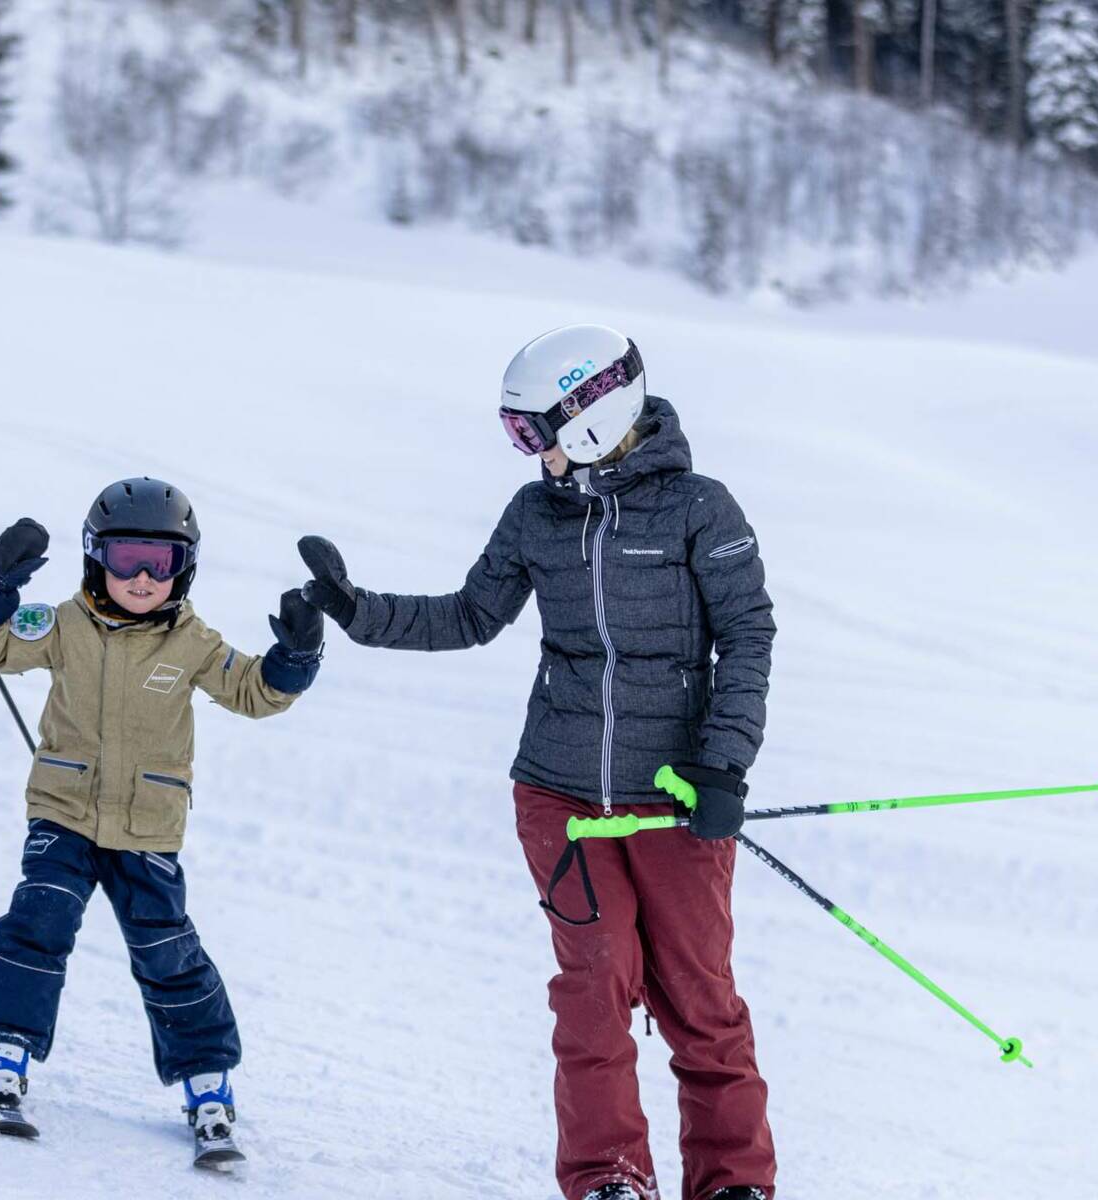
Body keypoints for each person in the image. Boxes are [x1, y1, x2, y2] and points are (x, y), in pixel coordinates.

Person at [294, 325, 776, 1200]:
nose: (526, 453)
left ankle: (733, 1183)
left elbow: (747, 636)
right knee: (593, 990)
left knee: (699, 1002)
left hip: (673, 798)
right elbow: (469, 616)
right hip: (556, 793)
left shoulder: (702, 508)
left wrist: (723, 768)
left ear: (591, 415)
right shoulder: (534, 515)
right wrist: (357, 611)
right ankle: (608, 1179)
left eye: (532, 432)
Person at [0, 478, 322, 1166]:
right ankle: (3, 1059)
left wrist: (294, 659)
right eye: (127, 558)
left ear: (185, 565)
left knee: (167, 954)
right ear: (97, 557)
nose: (145, 576)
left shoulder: (192, 642)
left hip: (148, 827)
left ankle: (207, 1089)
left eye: (161, 559)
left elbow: (253, 692)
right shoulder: (62, 624)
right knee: (37, 925)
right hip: (62, 814)